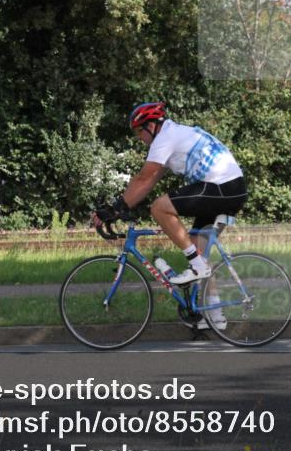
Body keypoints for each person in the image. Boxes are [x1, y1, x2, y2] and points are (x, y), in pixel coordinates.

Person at [92, 102, 247, 326]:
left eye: (139, 132)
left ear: (151, 125)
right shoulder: (174, 135)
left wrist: (114, 209)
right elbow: (149, 181)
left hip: (221, 186)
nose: (139, 138)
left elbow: (143, 179)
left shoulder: (165, 137)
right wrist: (121, 207)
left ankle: (197, 265)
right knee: (198, 251)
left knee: (159, 207)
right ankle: (214, 317)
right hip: (230, 188)